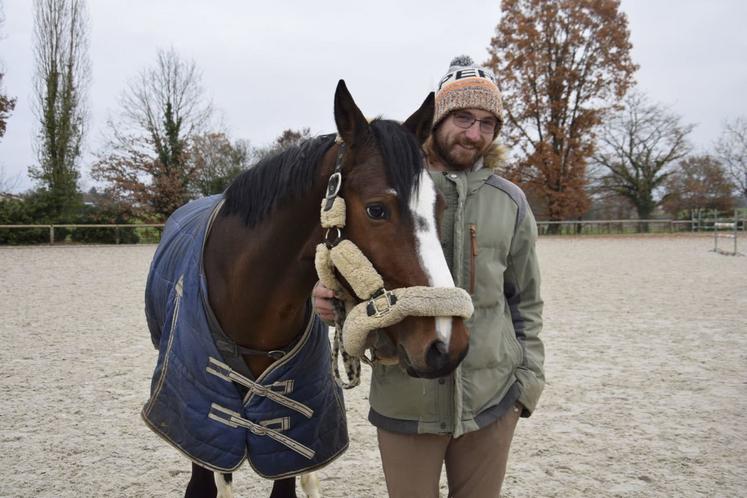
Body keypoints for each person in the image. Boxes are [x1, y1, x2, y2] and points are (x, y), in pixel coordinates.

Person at [313, 55, 544, 498]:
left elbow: (526, 301)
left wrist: (525, 386)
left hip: (492, 400)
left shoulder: (510, 201)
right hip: (406, 397)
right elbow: (342, 264)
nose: (474, 133)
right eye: (462, 117)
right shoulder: (390, 186)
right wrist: (326, 298)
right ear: (437, 117)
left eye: (487, 123)